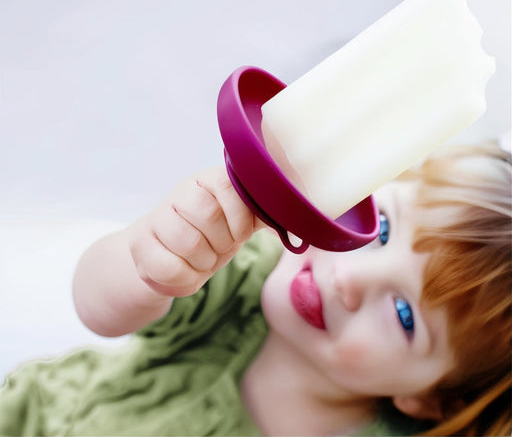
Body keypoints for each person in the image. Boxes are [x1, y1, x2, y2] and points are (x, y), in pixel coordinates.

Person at [0, 140, 510, 436]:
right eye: (382, 229)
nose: (350, 277)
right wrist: (150, 260)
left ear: (431, 399)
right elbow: (96, 305)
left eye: (403, 314)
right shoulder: (244, 272)